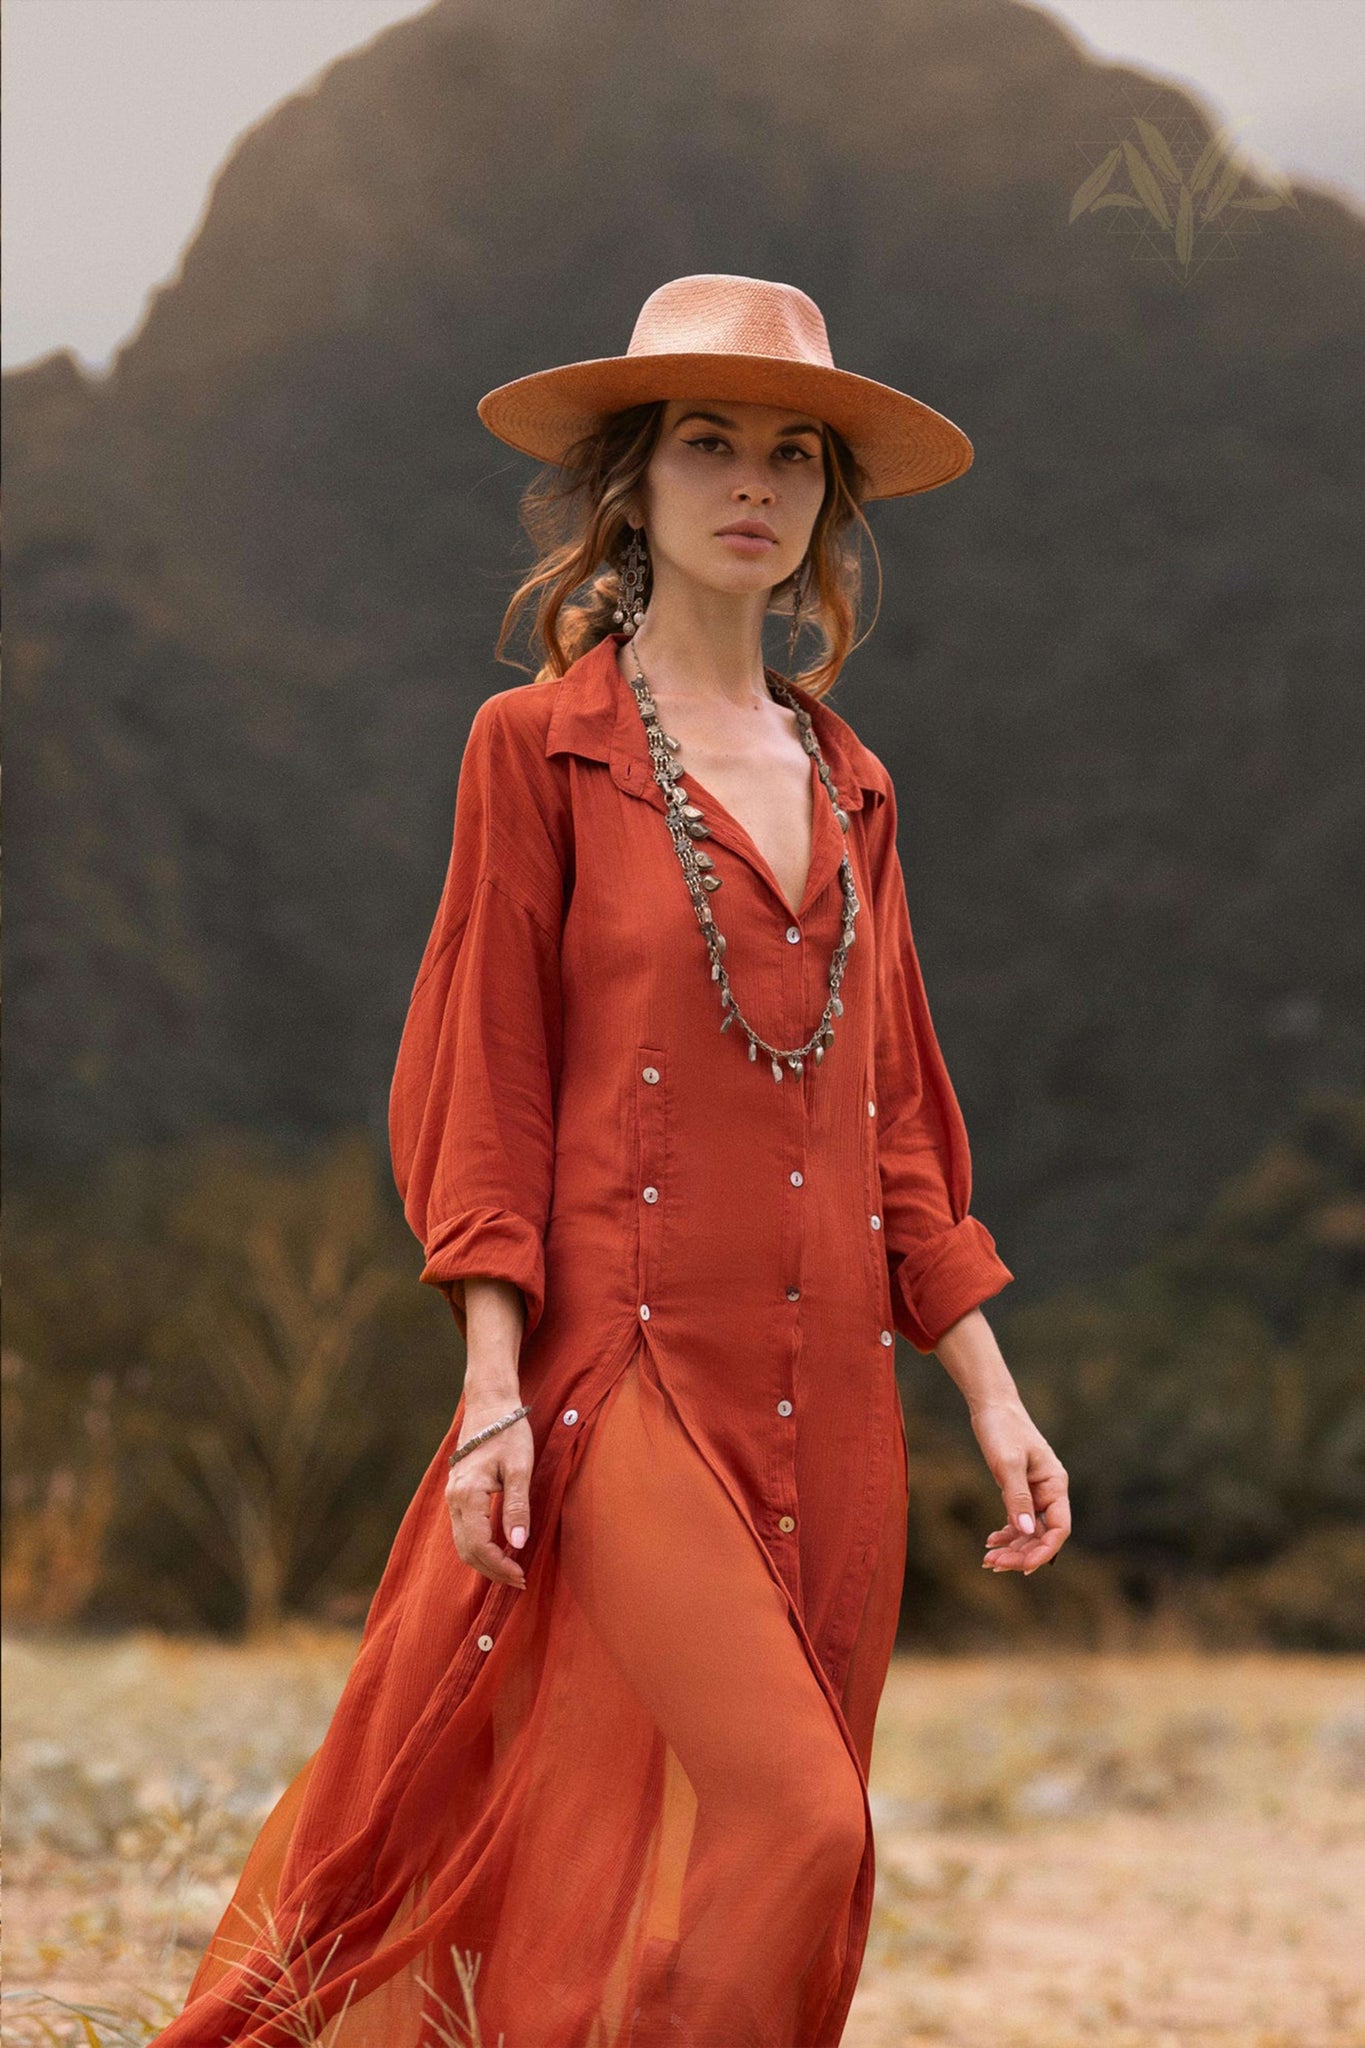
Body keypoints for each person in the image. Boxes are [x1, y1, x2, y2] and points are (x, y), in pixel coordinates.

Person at [155, 273, 1071, 2048]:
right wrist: (492, 1388)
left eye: (794, 454)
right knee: (795, 1818)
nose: (755, 483)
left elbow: (893, 1126)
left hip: (830, 1396)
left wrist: (993, 1390)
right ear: (632, 489)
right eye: (708, 444)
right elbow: (482, 1078)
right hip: (624, 1374)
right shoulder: (537, 749)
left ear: (828, 505)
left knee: (748, 1862)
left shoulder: (856, 781)